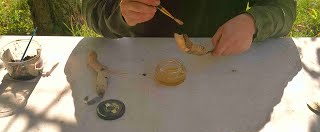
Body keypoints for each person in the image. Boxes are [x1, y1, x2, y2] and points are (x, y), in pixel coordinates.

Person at [82, 0, 296, 56]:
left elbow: (283, 8)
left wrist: (252, 22)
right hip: (142, 74)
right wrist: (120, 15)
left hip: (219, 68)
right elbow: (92, 9)